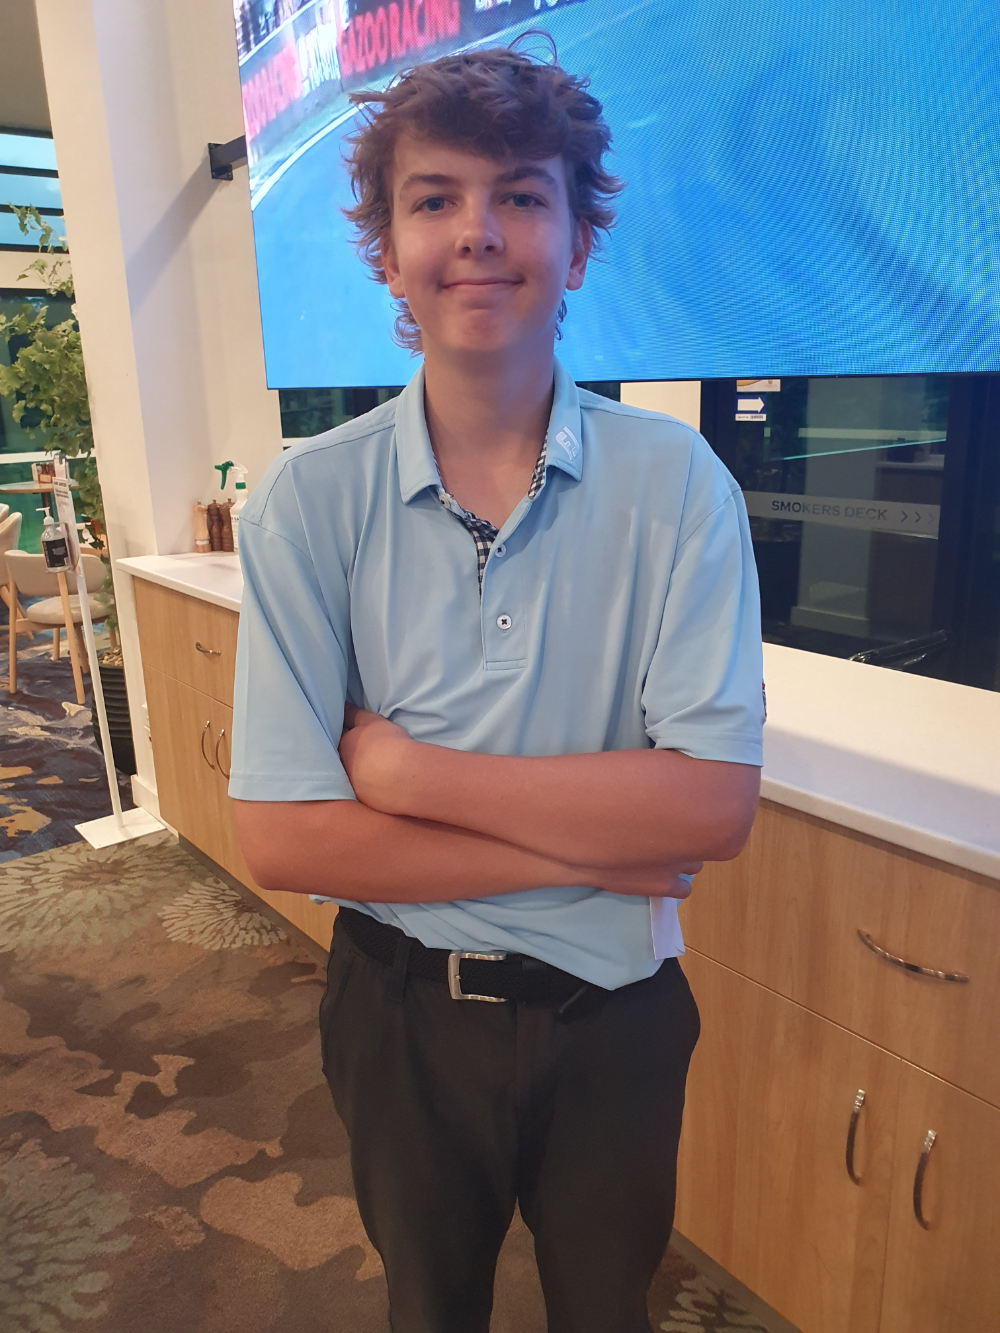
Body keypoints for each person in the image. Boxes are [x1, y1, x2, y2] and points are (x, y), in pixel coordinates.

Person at [230, 42, 764, 1333]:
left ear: (577, 243)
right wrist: (593, 846)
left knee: (608, 1311)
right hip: (401, 1009)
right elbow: (285, 837)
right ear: (388, 250)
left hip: (617, 1015)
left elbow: (709, 810)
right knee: (430, 1311)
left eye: (522, 195)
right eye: (436, 198)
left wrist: (407, 775)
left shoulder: (678, 485)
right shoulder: (310, 501)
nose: (479, 231)